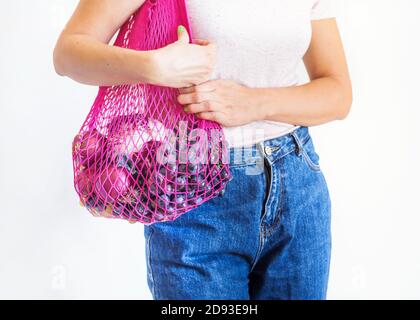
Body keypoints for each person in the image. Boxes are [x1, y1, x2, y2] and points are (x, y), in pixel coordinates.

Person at [54, 0, 352, 300]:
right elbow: (69, 53)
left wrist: (255, 103)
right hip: (193, 186)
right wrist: (153, 66)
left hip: (298, 186)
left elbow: (338, 92)